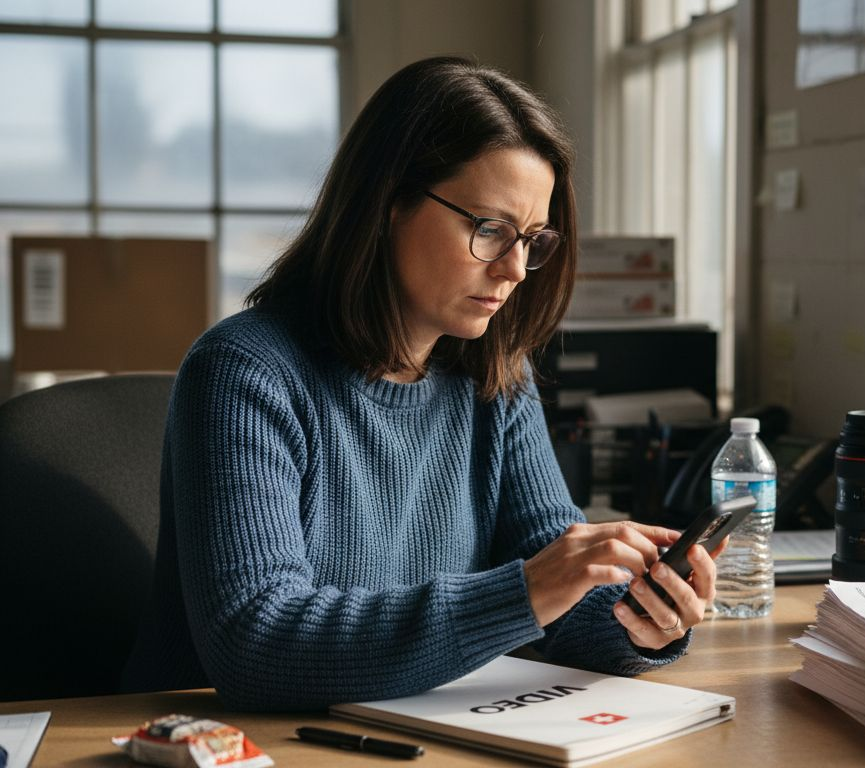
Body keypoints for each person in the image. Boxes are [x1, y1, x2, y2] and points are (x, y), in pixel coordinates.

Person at [121, 56, 720, 711]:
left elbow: (559, 595)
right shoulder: (245, 373)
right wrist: (526, 592)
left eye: (532, 239)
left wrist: (643, 616)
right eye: (490, 229)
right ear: (388, 205)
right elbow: (257, 644)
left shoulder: (496, 377)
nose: (517, 269)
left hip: (419, 732)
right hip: (231, 743)